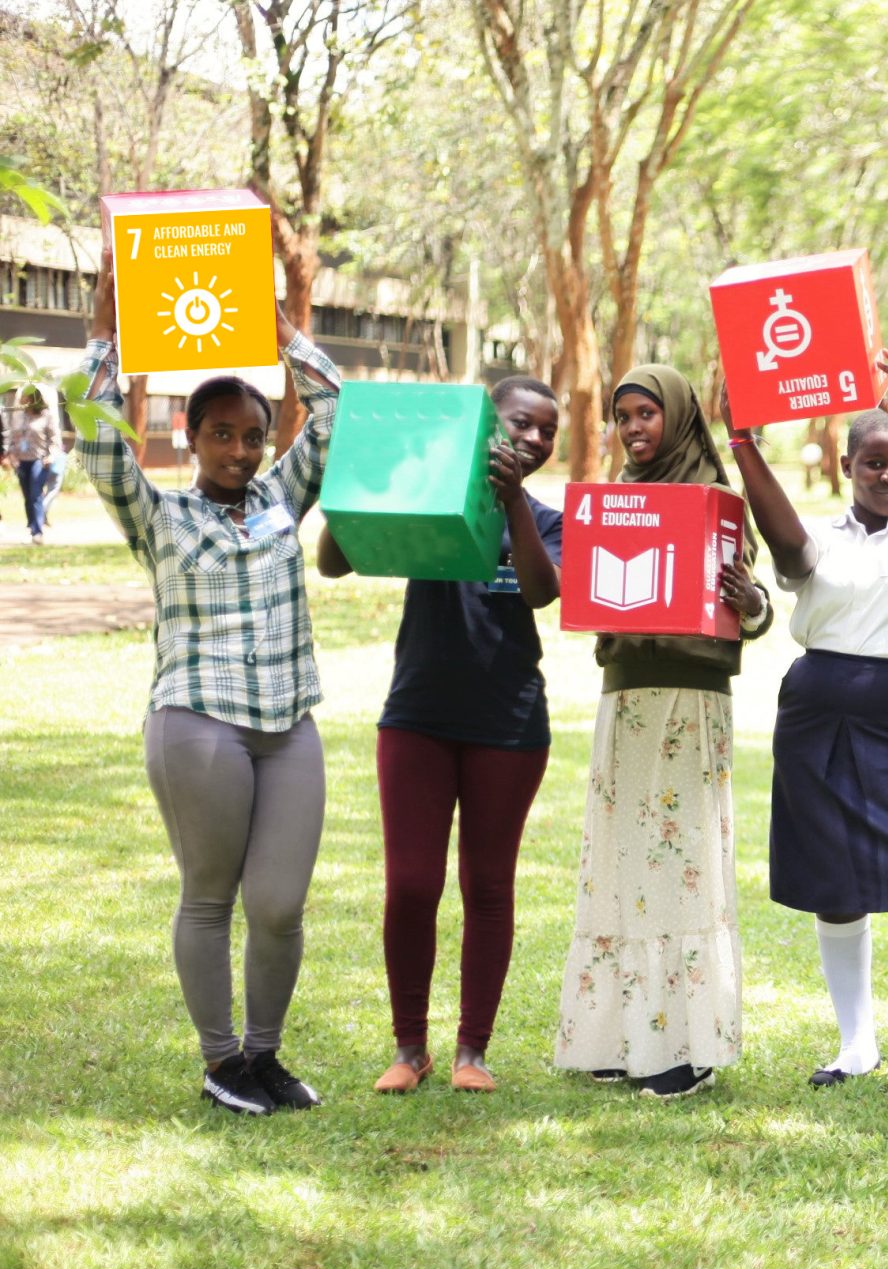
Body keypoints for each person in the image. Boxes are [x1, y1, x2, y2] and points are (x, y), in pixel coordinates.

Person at [73, 248, 339, 1116]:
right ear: (190, 438)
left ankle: (265, 1056)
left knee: (280, 902)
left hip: (286, 722)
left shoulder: (279, 498)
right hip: (198, 723)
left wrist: (284, 332)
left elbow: (333, 417)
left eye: (251, 433)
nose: (238, 448)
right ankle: (221, 1059)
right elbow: (102, 449)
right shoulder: (161, 513)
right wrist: (108, 337)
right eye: (220, 433)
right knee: (211, 894)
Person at [727, 351, 888, 1100]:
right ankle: (856, 1041)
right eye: (875, 464)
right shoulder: (823, 541)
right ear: (847, 466)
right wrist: (744, 443)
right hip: (816, 711)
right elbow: (784, 544)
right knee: (835, 882)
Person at [316, 376, 565, 1096]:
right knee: (413, 884)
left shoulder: (546, 517)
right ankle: (409, 1045)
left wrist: (513, 495)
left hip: (509, 724)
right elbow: (334, 560)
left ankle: (472, 1053)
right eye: (522, 423)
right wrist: (366, 473)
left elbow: (542, 591)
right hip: (418, 716)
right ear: (488, 423)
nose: (535, 440)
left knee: (488, 886)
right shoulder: (425, 491)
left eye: (548, 432)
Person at [554, 364, 773, 1101]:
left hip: (689, 697)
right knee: (620, 862)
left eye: (648, 413)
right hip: (626, 699)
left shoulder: (715, 498)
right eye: (625, 417)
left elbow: (756, 601)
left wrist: (753, 601)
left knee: (679, 867)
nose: (635, 428)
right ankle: (618, 1035)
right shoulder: (614, 502)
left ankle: (683, 1045)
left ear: (677, 416)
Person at [11, 389, 60, 544]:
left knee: (35, 494)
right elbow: (14, 437)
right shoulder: (19, 415)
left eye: (24, 395)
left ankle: (37, 532)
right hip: (21, 460)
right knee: (27, 496)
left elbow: (54, 439)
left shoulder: (46, 415)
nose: (21, 398)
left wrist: (51, 455)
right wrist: (12, 456)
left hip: (39, 460)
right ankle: (32, 527)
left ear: (32, 397)